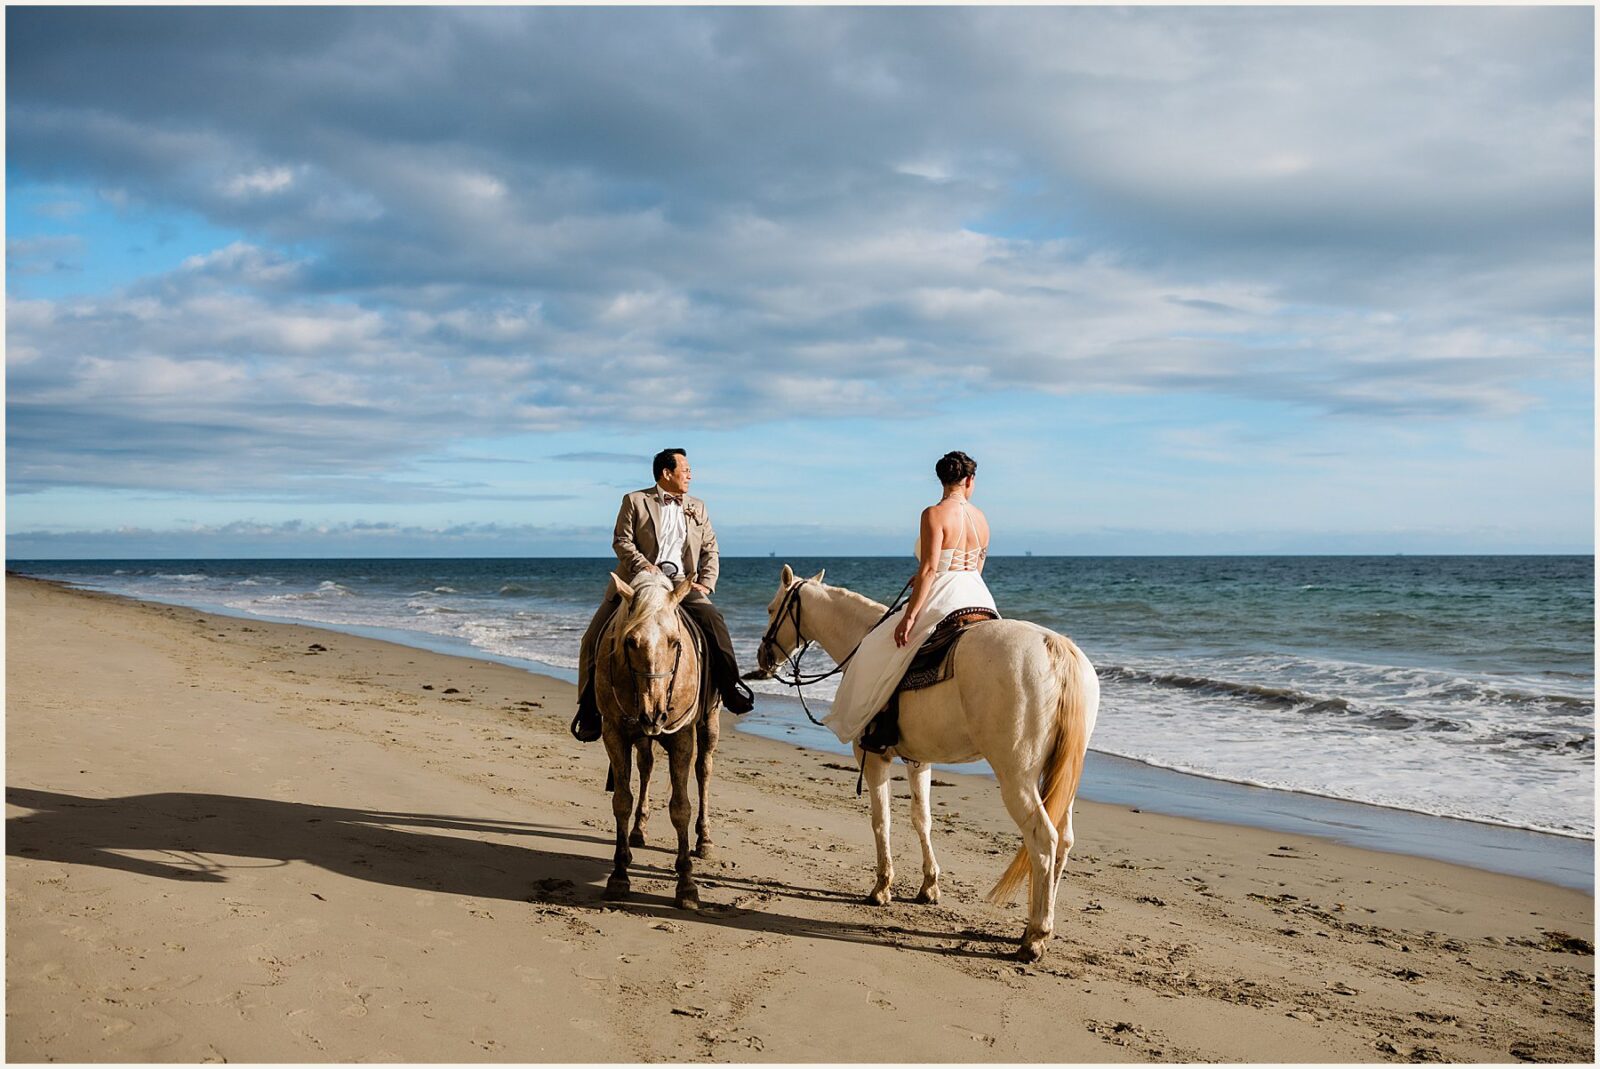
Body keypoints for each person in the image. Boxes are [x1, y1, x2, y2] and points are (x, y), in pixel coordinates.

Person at [570, 448, 755, 742]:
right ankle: (590, 709)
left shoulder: (698, 506)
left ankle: (730, 687)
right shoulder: (634, 501)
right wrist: (644, 565)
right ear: (666, 473)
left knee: (713, 619)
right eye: (686, 469)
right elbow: (622, 541)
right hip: (638, 581)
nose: (690, 475)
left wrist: (705, 582)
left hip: (681, 583)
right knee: (592, 637)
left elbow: (710, 548)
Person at [823, 450, 997, 745]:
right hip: (979, 595)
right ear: (969, 480)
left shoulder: (933, 513)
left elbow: (930, 569)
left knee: (877, 647)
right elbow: (975, 565)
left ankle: (881, 724)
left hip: (946, 595)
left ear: (942, 479)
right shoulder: (981, 518)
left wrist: (910, 617)